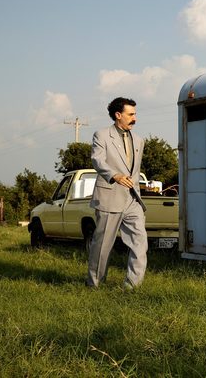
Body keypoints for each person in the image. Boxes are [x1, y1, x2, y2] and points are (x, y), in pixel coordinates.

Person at [86, 97, 148, 289]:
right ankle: (94, 284)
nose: (135, 118)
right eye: (131, 114)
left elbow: (134, 171)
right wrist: (115, 175)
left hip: (132, 200)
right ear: (118, 115)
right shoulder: (102, 135)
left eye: (135, 114)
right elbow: (98, 161)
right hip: (109, 197)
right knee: (102, 246)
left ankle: (132, 287)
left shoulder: (139, 140)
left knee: (140, 243)